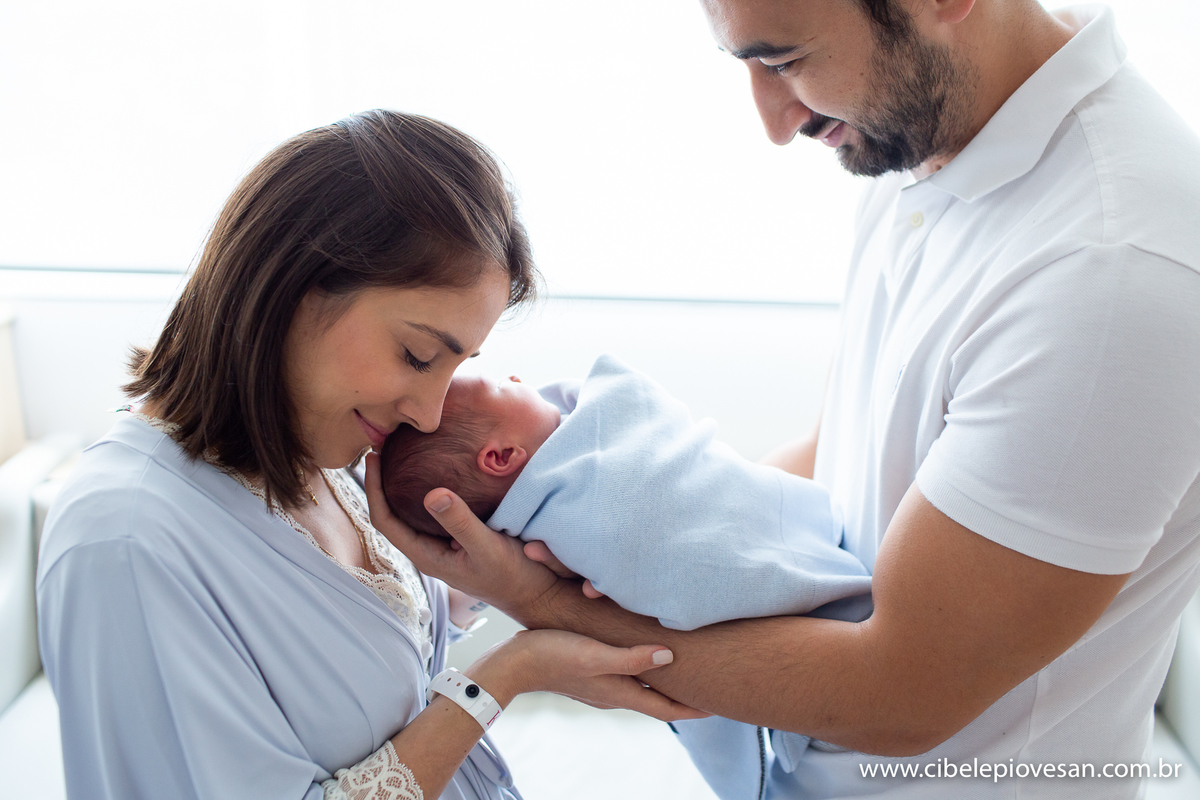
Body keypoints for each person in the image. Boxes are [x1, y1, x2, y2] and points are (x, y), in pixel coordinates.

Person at [366, 2, 1200, 799]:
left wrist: (539, 604)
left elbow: (902, 694)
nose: (773, 121)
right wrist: (639, 522)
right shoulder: (922, 156)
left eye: (787, 60)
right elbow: (844, 450)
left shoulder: (1112, 272)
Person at [35, 110, 700, 800]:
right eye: (417, 354)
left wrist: (495, 575)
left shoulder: (315, 454)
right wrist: (508, 674)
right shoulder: (124, 542)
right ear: (291, 286)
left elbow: (357, 652)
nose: (431, 413)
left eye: (458, 365)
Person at [380, 354, 871, 632]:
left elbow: (681, 470)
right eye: (503, 387)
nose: (517, 378)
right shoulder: (559, 534)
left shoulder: (545, 534)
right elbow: (636, 535)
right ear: (502, 456)